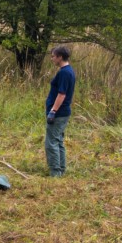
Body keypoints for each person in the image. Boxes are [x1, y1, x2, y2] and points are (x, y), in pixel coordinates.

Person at [44, 45, 76, 177]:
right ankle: (61, 169)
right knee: (58, 141)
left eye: (53, 56)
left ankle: (55, 172)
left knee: (51, 143)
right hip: (63, 112)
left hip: (59, 113)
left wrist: (53, 111)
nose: (52, 59)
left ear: (60, 57)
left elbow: (61, 94)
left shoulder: (64, 72)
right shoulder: (68, 70)